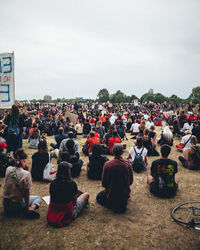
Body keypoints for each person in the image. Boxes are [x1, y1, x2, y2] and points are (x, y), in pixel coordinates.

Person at [47, 162, 89, 227]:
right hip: (68, 214)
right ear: (68, 171)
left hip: (53, 213)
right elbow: (74, 202)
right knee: (86, 194)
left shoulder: (53, 183)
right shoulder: (72, 184)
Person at [3, 148, 40, 218]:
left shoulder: (8, 169)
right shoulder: (26, 174)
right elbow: (27, 194)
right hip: (17, 204)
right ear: (24, 160)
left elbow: (14, 177)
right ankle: (31, 208)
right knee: (37, 198)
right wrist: (26, 207)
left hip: (6, 202)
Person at [96, 144, 133, 213]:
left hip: (111, 194)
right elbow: (130, 181)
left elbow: (104, 183)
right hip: (124, 195)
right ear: (122, 152)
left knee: (99, 196)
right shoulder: (128, 164)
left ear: (112, 152)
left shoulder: (107, 165)